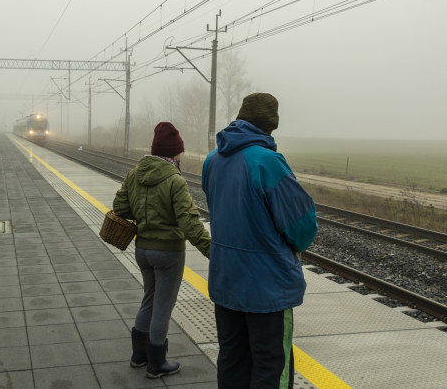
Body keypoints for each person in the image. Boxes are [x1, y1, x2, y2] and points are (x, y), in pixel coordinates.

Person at [201, 93, 318, 389]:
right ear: (270, 126)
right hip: (267, 289)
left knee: (232, 360)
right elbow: (302, 227)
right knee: (270, 365)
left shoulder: (213, 161)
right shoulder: (267, 163)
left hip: (226, 280)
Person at [113, 121, 211, 379]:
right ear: (173, 153)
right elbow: (189, 223)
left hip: (142, 249)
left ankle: (138, 355)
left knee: (149, 298)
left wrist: (144, 213)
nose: (181, 156)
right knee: (163, 306)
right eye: (180, 151)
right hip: (168, 253)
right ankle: (157, 363)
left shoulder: (135, 174)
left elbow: (120, 207)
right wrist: (213, 251)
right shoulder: (174, 180)